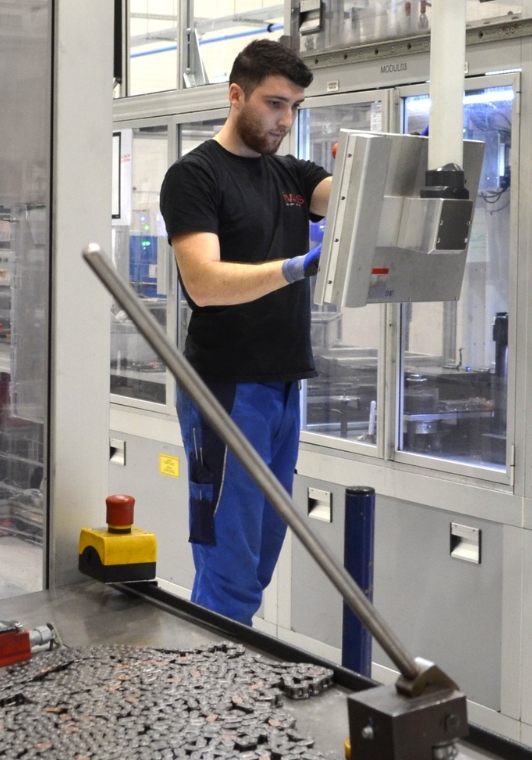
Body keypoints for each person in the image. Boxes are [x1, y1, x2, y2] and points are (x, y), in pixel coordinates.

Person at [158, 39, 333, 625]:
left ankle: (226, 673)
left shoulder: (292, 174)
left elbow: (351, 197)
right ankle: (212, 681)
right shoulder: (195, 176)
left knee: (258, 565)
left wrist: (421, 171)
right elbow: (204, 283)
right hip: (226, 389)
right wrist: (295, 267)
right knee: (229, 572)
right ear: (236, 95)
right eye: (274, 104)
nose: (285, 121)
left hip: (283, 387)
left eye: (295, 108)